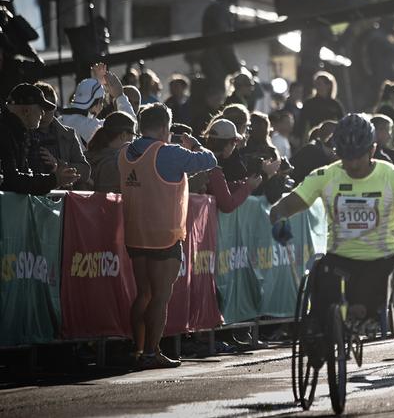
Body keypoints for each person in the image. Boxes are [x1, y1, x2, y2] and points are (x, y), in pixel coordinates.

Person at [269, 113, 394, 344]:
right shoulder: (326, 175)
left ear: (372, 150)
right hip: (339, 257)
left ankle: (361, 318)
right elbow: (283, 207)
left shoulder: (393, 177)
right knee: (320, 288)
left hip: (381, 258)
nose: (352, 164)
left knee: (363, 306)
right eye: (345, 155)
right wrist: (279, 221)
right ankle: (320, 341)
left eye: (358, 155)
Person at [120, 103, 217, 369]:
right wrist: (196, 145)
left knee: (143, 295)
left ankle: (138, 350)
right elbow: (210, 161)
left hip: (135, 233)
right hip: (164, 234)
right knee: (160, 297)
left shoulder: (125, 153)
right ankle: (152, 353)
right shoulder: (169, 153)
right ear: (166, 127)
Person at [1, 84, 80, 194]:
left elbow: (21, 177)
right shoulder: (6, 133)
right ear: (26, 111)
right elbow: (12, 181)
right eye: (40, 108)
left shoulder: (16, 133)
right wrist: (55, 180)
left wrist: (54, 178)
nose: (43, 113)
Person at [28, 82, 91, 188]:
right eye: (41, 107)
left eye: (49, 107)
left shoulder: (68, 135)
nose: (44, 113)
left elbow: (85, 171)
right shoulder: (23, 134)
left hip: (61, 199)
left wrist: (58, 165)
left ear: (55, 107)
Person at [201, 119, 266, 212]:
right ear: (228, 144)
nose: (235, 146)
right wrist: (248, 187)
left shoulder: (201, 161)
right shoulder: (214, 170)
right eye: (235, 142)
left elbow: (222, 187)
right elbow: (227, 205)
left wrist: (245, 183)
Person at [201, 0, 244, 89]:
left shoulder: (223, 9)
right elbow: (224, 41)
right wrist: (236, 68)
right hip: (216, 61)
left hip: (218, 61)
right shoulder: (219, 9)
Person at [85, 111, 137, 193]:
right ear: (123, 135)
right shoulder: (115, 163)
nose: (134, 141)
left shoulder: (85, 156)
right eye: (134, 135)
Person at [297, 71, 344, 139]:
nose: (317, 86)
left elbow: (341, 122)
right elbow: (302, 123)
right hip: (314, 138)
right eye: (316, 84)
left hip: (330, 139)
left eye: (319, 84)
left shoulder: (335, 104)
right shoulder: (309, 103)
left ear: (328, 85)